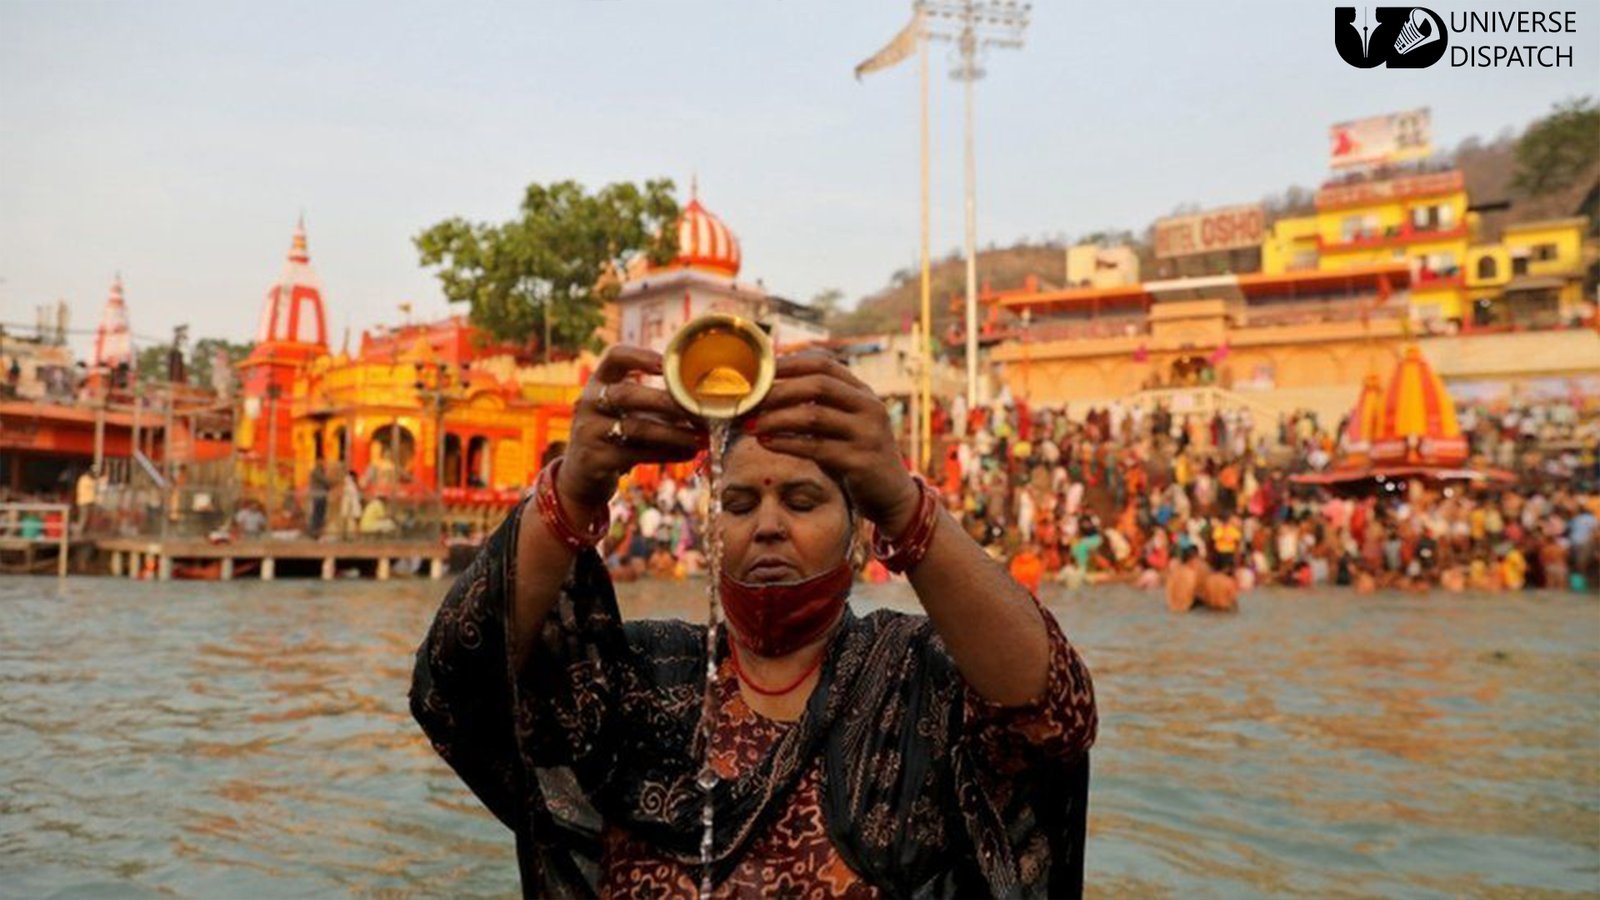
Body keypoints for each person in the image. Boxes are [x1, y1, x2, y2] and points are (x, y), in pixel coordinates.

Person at [411, 346, 1097, 898]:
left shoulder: (916, 676)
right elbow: (454, 688)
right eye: (738, 505)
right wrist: (573, 491)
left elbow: (1055, 719)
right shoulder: (640, 675)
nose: (767, 525)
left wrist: (902, 503)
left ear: (858, 534)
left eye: (801, 501)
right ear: (713, 530)